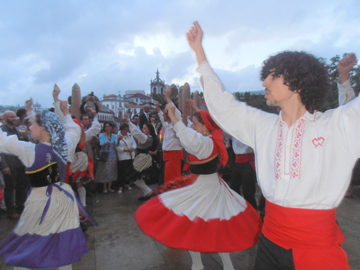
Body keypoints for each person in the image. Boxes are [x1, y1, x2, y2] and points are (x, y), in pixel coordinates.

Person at [186, 21, 358, 270]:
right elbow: (223, 106)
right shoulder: (263, 126)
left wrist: (344, 78)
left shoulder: (335, 125)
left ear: (298, 82)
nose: (265, 82)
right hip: (268, 243)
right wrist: (199, 52)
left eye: (273, 76)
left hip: (316, 250)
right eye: (265, 76)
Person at [136, 103, 262, 270]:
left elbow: (187, 137)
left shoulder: (205, 143)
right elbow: (190, 133)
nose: (192, 126)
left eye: (195, 124)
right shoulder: (213, 139)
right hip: (212, 185)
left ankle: (215, 265)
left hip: (205, 188)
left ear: (204, 127)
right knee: (206, 227)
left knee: (198, 226)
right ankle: (207, 264)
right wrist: (194, 110)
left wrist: (174, 117)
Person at [0, 100, 88, 270]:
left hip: (41, 202)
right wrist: (66, 112)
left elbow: (3, 141)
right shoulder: (65, 146)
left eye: (32, 124)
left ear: (42, 127)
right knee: (63, 242)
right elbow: (74, 130)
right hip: (63, 199)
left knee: (29, 241)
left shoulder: (29, 150)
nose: (29, 127)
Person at [0, 110, 29, 219]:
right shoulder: (1, 131)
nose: (15, 118)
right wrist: (4, 166)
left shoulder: (18, 129)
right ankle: (11, 211)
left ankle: (21, 208)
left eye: (15, 116)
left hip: (21, 162)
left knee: (22, 186)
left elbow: (24, 145)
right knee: (10, 188)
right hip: (9, 163)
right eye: (12, 117)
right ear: (5, 118)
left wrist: (25, 136)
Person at [124, 113, 156, 201]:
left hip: (142, 158)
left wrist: (128, 121)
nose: (142, 129)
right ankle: (147, 192)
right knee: (137, 177)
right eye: (143, 128)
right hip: (144, 157)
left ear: (149, 130)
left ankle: (148, 191)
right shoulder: (150, 137)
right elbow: (153, 130)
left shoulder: (145, 138)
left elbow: (135, 132)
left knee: (133, 176)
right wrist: (152, 123)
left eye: (145, 128)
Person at [155, 87, 184, 184]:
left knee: (173, 181)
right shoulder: (168, 125)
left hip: (174, 156)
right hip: (167, 156)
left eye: (165, 111)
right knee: (167, 180)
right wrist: (158, 109)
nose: (164, 113)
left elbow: (177, 113)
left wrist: (168, 97)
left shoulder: (177, 125)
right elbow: (162, 119)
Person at [229, 137, 257, 210]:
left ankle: (252, 215)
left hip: (248, 163)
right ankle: (239, 211)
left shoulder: (250, 130)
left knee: (248, 193)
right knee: (233, 189)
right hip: (237, 163)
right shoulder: (234, 132)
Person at [95, 122, 118, 194]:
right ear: (104, 128)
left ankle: (109, 187)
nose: (108, 128)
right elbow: (101, 144)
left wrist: (119, 140)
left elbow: (117, 144)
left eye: (109, 126)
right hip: (104, 155)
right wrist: (105, 143)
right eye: (106, 126)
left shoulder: (114, 136)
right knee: (105, 171)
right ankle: (104, 187)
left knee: (112, 171)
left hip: (112, 155)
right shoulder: (101, 135)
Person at [115, 122, 136, 193]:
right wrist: (124, 150)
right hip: (122, 156)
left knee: (129, 171)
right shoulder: (117, 136)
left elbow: (134, 144)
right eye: (125, 130)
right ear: (122, 130)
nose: (127, 131)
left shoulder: (130, 135)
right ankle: (121, 186)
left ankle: (128, 184)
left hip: (130, 156)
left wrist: (132, 148)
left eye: (127, 130)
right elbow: (116, 146)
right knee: (122, 172)